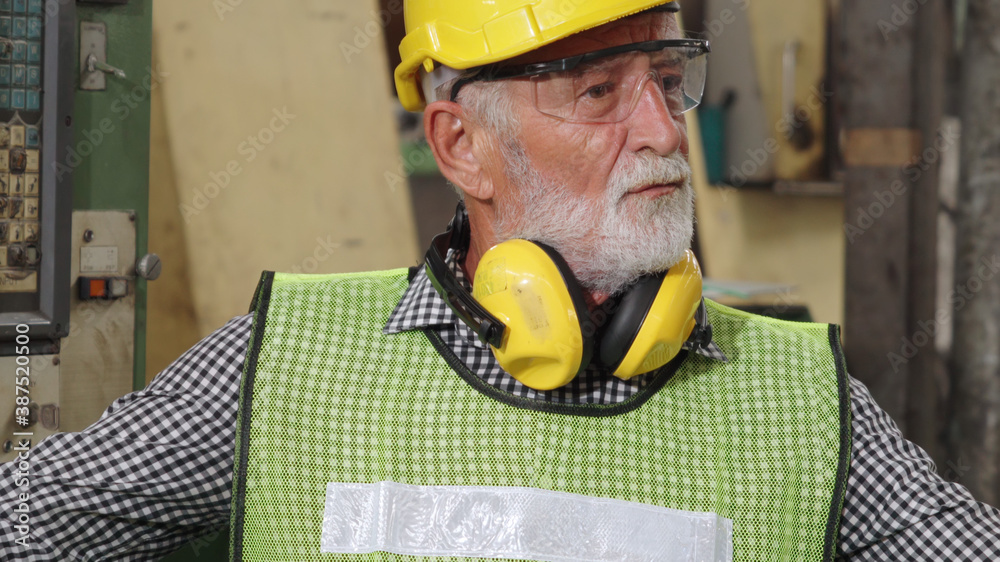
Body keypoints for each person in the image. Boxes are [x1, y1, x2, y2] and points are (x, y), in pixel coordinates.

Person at [3, 0, 1000, 560]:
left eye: (663, 79)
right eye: (598, 91)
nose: (661, 133)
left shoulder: (799, 403)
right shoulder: (285, 370)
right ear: (463, 147)